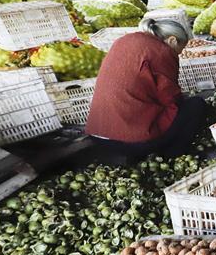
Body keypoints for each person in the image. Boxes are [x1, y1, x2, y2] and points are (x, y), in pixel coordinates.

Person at [86, 18, 207, 161]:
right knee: (196, 105)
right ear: (172, 40)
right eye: (181, 49)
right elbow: (170, 98)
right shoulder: (162, 52)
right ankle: (172, 156)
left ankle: (137, 156)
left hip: (97, 133)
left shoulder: (124, 40)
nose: (179, 54)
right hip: (131, 140)